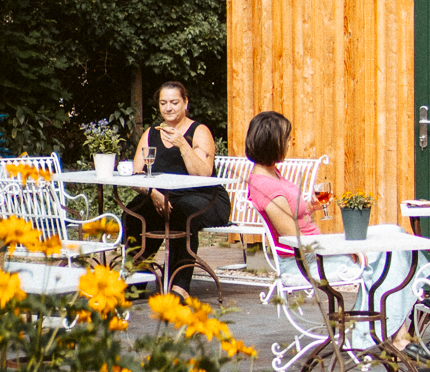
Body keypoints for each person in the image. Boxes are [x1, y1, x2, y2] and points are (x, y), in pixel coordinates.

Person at [122, 79, 231, 293]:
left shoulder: (198, 131)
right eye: (163, 103)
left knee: (182, 214)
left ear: (185, 103)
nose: (168, 108)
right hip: (164, 197)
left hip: (205, 197)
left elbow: (203, 174)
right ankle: (137, 280)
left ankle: (178, 286)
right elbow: (137, 174)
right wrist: (152, 192)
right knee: (134, 213)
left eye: (174, 102)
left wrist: (182, 144)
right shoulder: (151, 133)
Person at [242, 110, 318, 257]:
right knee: (371, 259)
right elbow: (293, 237)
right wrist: (334, 249)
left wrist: (309, 207)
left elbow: (288, 215)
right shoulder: (266, 187)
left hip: (312, 254)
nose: (289, 143)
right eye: (286, 138)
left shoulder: (271, 173)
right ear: (270, 142)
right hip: (304, 262)